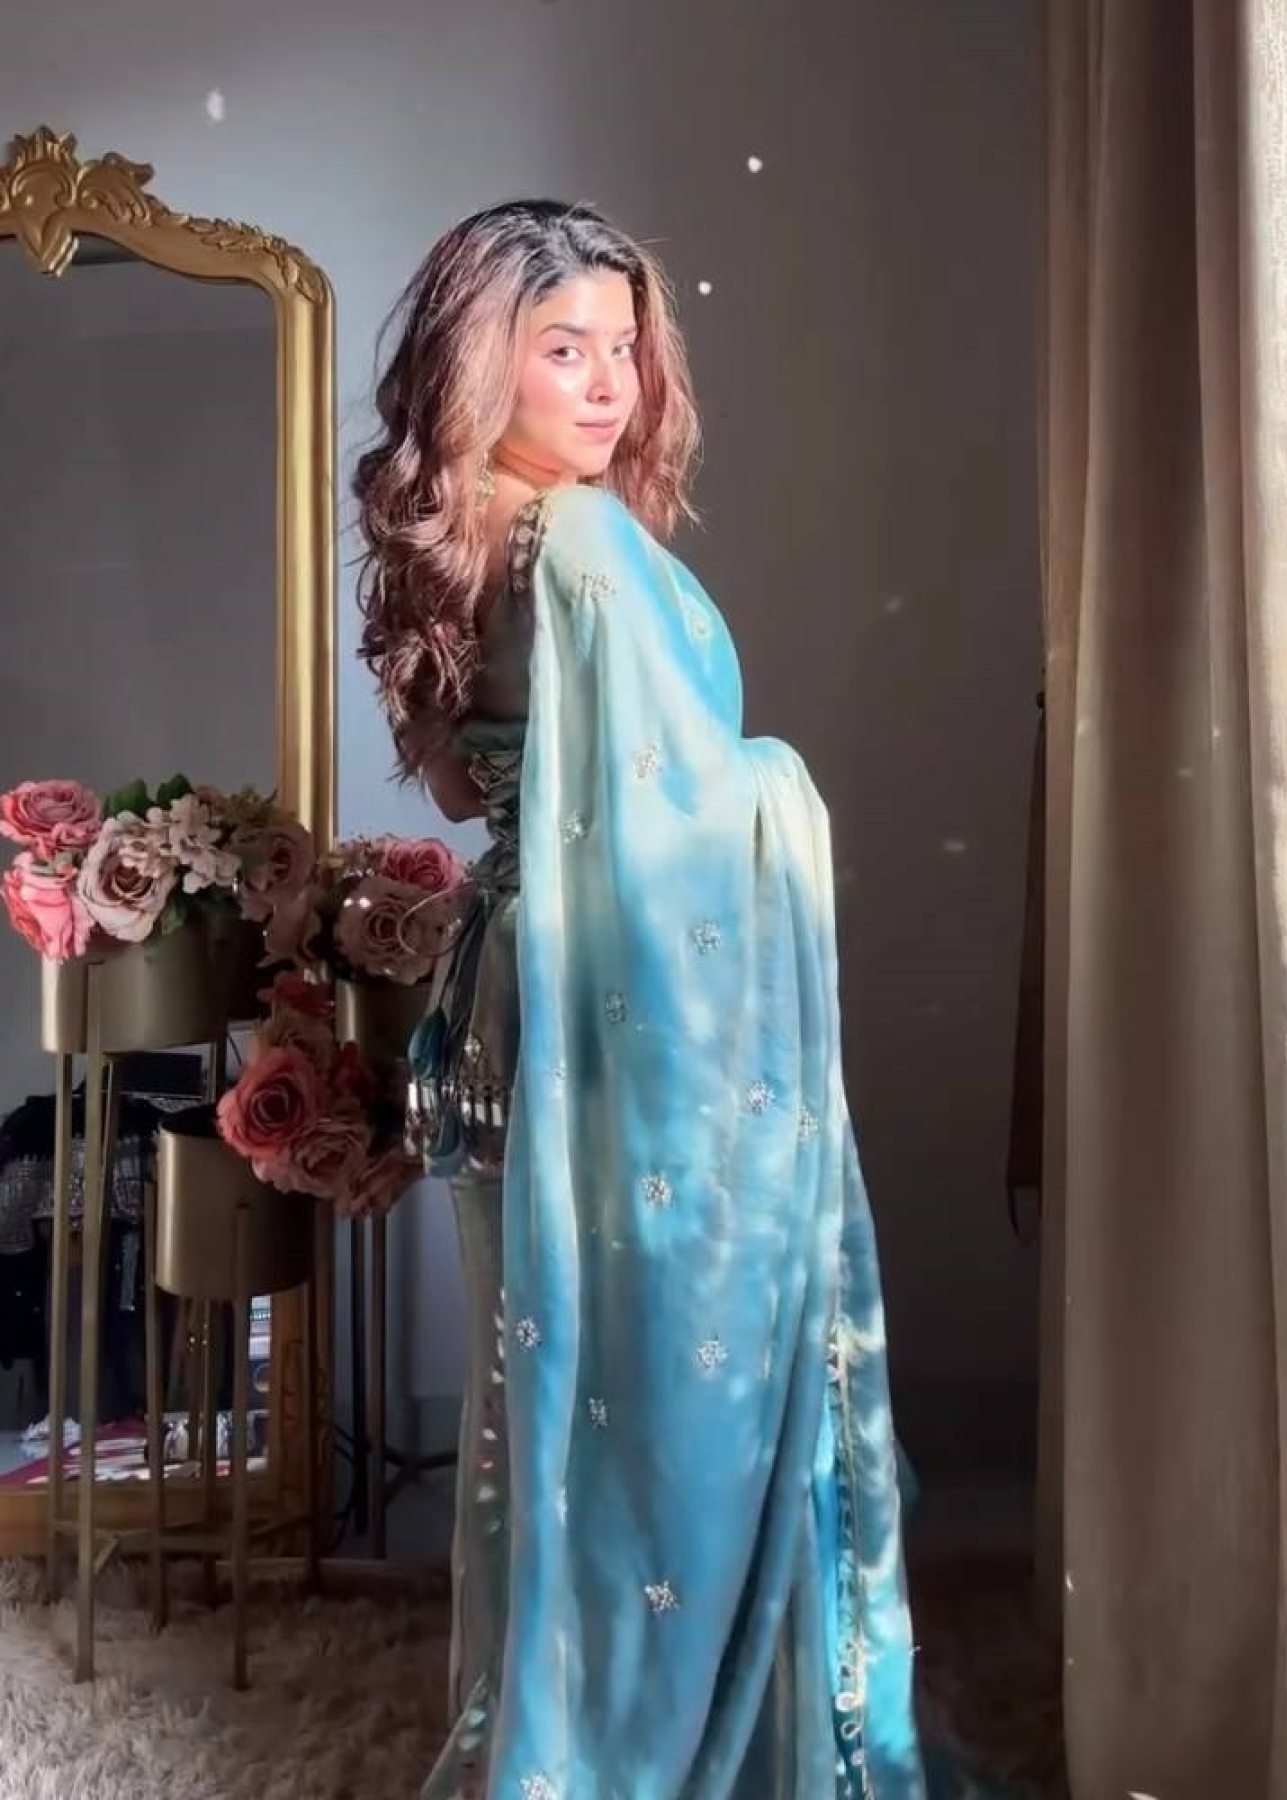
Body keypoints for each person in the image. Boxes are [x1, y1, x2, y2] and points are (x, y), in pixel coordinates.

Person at [354, 200, 927, 1800]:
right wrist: (778, 781)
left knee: (546, 1401)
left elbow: (474, 795)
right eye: (565, 349)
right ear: (484, 362)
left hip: (512, 997)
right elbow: (684, 832)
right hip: (617, 1012)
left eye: (623, 346)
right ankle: (649, 1752)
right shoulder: (584, 547)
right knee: (666, 1407)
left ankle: (545, 1731)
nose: (609, 384)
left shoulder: (461, 538)